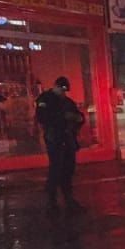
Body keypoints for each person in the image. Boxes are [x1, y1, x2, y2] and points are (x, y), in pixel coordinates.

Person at [35, 76, 86, 216]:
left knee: (68, 169)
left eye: (65, 91)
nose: (63, 93)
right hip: (54, 138)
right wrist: (62, 117)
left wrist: (78, 118)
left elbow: (79, 116)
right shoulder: (45, 99)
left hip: (68, 138)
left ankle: (68, 199)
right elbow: (42, 117)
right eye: (62, 90)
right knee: (55, 169)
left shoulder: (67, 101)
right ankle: (51, 202)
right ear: (56, 86)